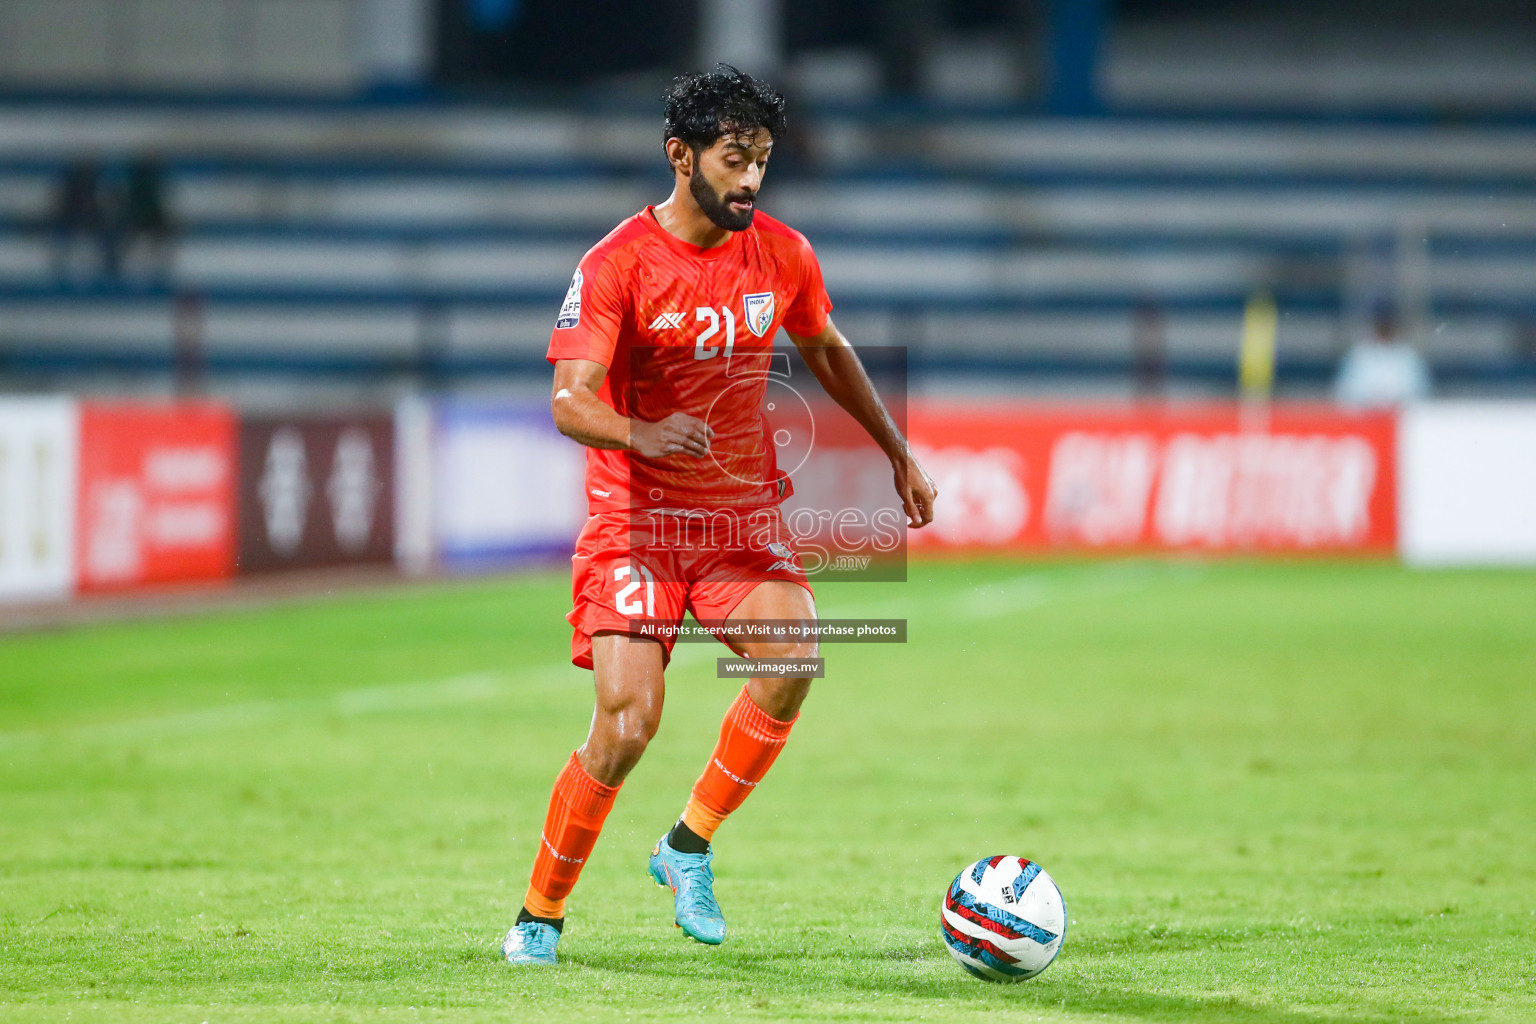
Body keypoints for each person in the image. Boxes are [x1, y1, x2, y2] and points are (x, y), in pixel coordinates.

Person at [502, 65, 938, 966]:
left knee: (794, 658)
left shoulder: (783, 253)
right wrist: (643, 432)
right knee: (626, 729)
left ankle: (686, 847)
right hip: (637, 523)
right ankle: (539, 916)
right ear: (680, 155)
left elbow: (825, 345)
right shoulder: (615, 263)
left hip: (736, 522)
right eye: (735, 159)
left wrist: (896, 450)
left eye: (763, 161)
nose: (750, 180)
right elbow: (568, 401)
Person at [1333, 306, 1432, 408]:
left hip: (1401, 417)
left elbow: (1421, 395)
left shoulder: (1409, 357)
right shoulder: (1358, 356)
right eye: (1381, 322)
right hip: (1366, 419)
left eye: (1387, 323)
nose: (1384, 327)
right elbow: (1345, 395)